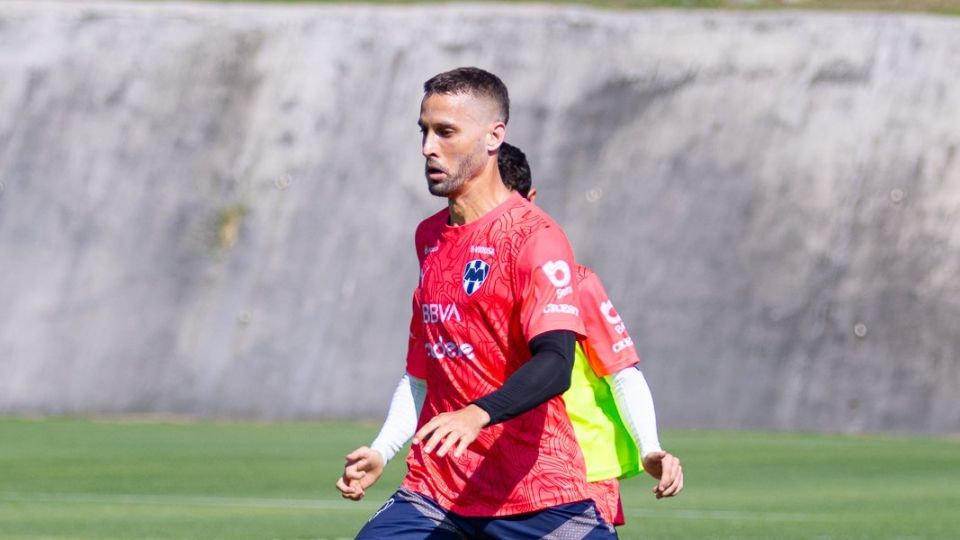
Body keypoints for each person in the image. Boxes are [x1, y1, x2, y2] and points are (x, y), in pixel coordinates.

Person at [337, 67, 615, 538]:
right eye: (424, 131)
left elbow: (555, 362)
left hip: (534, 494)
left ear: (494, 137)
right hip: (436, 491)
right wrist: (383, 450)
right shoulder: (429, 237)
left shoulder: (536, 238)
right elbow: (424, 370)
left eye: (445, 132)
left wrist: (476, 414)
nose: (428, 147)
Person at [497, 143, 684, 527]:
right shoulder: (465, 282)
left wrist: (650, 448)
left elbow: (622, 370)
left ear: (532, 201)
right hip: (494, 470)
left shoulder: (574, 283)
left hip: (580, 472)